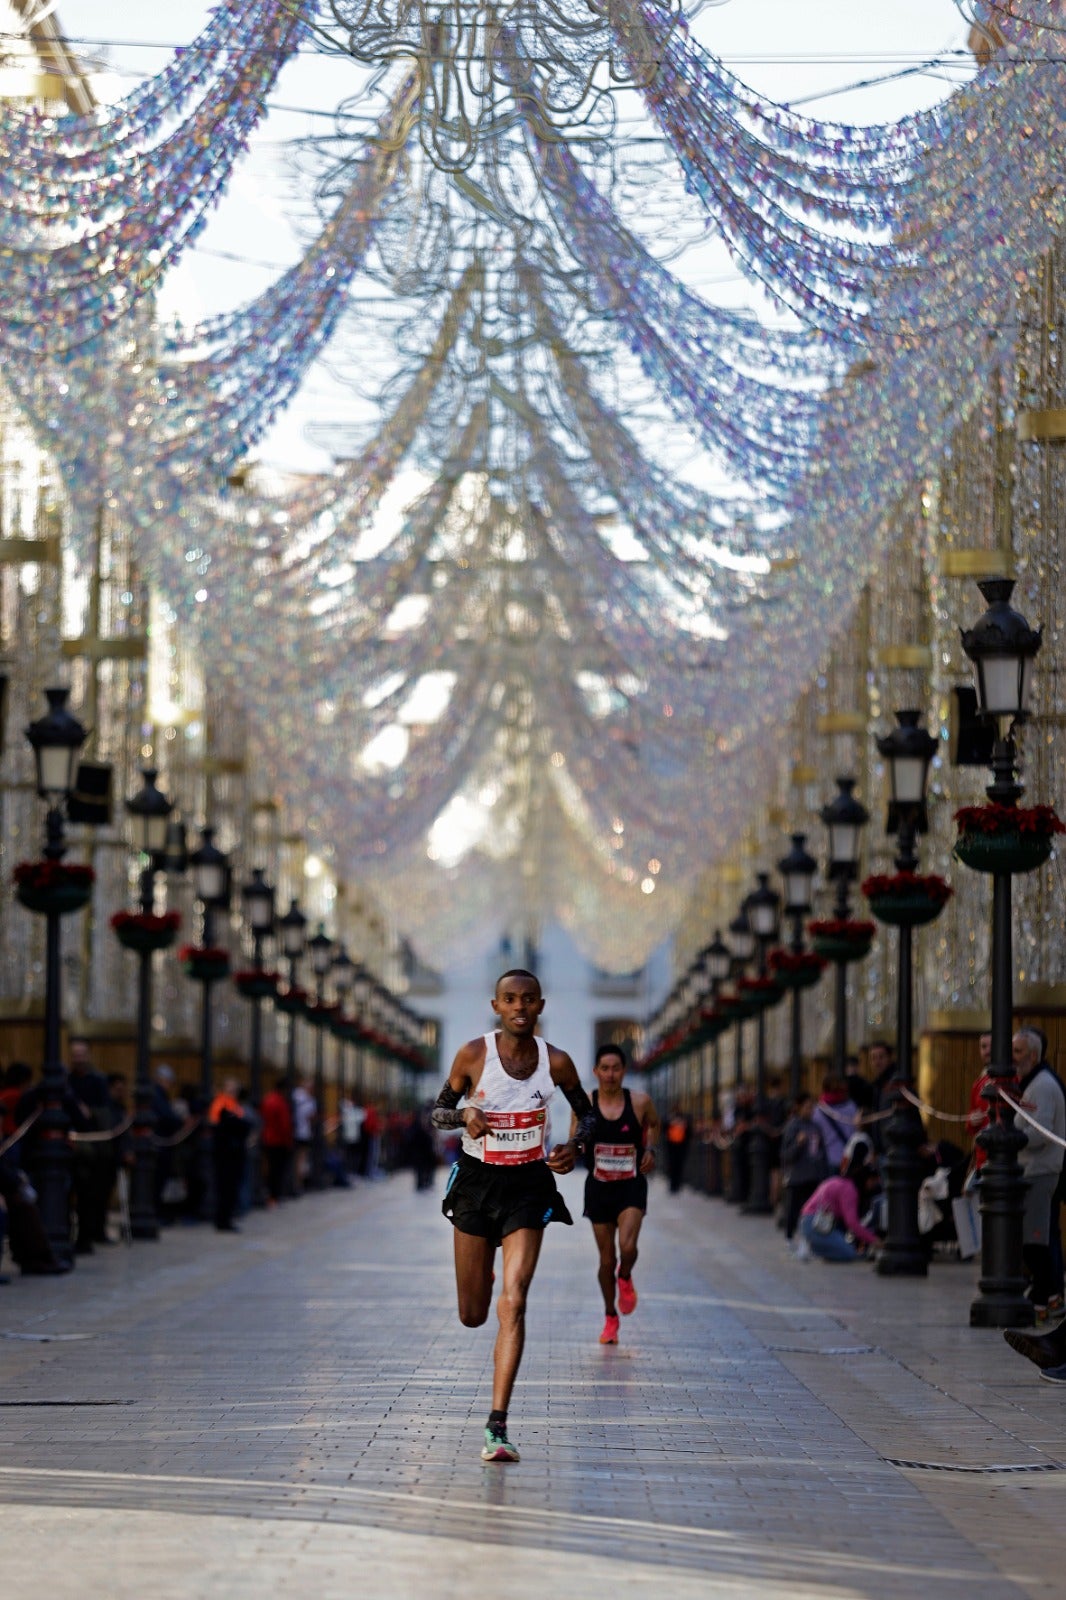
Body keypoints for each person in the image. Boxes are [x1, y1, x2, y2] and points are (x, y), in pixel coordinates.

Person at [431, 968, 596, 1464]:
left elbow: (586, 1113)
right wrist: (464, 1116)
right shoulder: (474, 1055)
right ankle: (481, 1277)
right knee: (473, 1312)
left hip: (528, 1183)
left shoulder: (557, 1062)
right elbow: (437, 1111)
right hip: (477, 1184)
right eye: (510, 999)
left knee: (514, 1300)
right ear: (496, 1005)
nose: (520, 1007)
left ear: (540, 1006)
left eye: (528, 999)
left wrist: (576, 1145)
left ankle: (497, 1426)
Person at [574, 1044, 659, 1346]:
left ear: (624, 1071)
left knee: (628, 1245)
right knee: (606, 1259)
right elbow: (576, 1137)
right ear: (596, 1071)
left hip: (630, 1186)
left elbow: (655, 1125)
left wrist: (649, 1149)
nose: (610, 1074)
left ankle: (626, 1275)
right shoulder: (585, 1103)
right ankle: (610, 1316)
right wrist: (575, 1148)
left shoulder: (639, 1102)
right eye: (605, 1068)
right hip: (598, 1188)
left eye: (616, 1068)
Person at [1012, 1028, 1066, 1321]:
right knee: (1038, 1238)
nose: (1012, 1058)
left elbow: (1040, 1133)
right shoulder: (1032, 1082)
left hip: (1040, 1170)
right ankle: (1047, 1295)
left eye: (1018, 1052)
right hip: (1033, 1170)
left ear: (1033, 1055)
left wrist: (1010, 1136)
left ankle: (1044, 1298)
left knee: (1037, 1240)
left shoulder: (1042, 1086)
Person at [798, 1139, 880, 1262]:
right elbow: (852, 1223)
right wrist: (875, 1240)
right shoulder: (850, 1190)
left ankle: (817, 1247)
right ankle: (814, 1247)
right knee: (848, 1253)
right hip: (816, 1224)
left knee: (843, 1248)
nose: (873, 1186)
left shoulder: (839, 1181)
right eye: (872, 1182)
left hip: (807, 1221)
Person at [780, 1092, 829, 1248]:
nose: (811, 1111)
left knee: (810, 1211)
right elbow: (786, 1155)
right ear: (799, 1108)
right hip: (796, 1177)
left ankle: (807, 1240)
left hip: (813, 1176)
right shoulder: (793, 1127)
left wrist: (822, 1173)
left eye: (812, 1107)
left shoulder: (816, 1127)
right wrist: (798, 1144)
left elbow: (821, 1152)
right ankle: (789, 1238)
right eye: (807, 1107)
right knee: (793, 1210)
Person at [208, 1076, 250, 1232]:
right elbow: (223, 1124)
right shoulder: (221, 1103)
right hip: (226, 1153)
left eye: (235, 1089)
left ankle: (226, 1218)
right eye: (230, 1088)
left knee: (231, 1187)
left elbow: (242, 1125)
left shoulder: (233, 1105)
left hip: (234, 1152)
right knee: (225, 1187)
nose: (233, 1091)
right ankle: (223, 1220)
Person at [812, 1075, 861, 1174]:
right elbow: (857, 1129)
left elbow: (815, 1139)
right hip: (849, 1158)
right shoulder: (851, 1106)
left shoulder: (818, 1110)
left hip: (829, 1159)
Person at [260, 1075, 294, 1206]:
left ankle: (272, 1195)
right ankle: (274, 1195)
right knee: (277, 1170)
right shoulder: (280, 1102)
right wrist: (288, 1141)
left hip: (268, 1138)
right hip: (279, 1141)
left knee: (271, 1169)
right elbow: (285, 1125)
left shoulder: (268, 1100)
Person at [966, 1032, 993, 1171]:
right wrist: (972, 1121)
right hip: (981, 1159)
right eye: (983, 1047)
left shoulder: (1012, 1079)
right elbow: (970, 1126)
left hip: (998, 1159)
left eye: (991, 1046)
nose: (987, 1051)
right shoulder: (978, 1083)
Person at [663, 1105, 691, 1193]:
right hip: (675, 1146)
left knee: (675, 1166)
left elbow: (689, 1131)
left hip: (676, 1146)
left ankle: (675, 1185)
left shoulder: (682, 1119)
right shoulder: (670, 1118)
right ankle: (674, 1185)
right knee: (675, 1166)